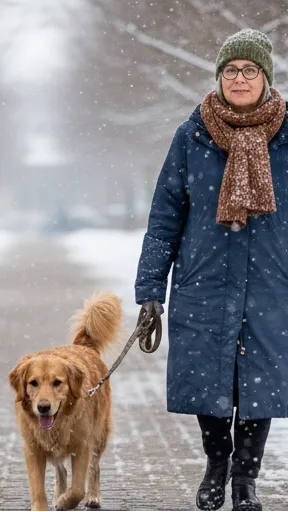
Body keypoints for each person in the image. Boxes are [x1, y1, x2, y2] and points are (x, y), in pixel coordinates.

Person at [134, 28, 288, 512]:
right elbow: (165, 216)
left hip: (270, 282)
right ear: (219, 77)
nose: (239, 79)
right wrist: (150, 287)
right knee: (208, 380)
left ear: (265, 77)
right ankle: (216, 465)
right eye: (230, 70)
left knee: (256, 384)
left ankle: (245, 479)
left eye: (249, 70)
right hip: (204, 280)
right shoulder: (192, 136)